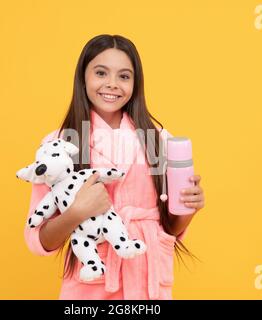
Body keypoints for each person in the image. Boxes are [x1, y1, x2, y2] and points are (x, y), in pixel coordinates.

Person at [24, 34, 205, 299]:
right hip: (93, 286)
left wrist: (189, 207)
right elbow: (38, 239)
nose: (112, 84)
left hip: (147, 284)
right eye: (100, 73)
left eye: (124, 76)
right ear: (83, 78)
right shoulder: (60, 144)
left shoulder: (157, 139)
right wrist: (75, 213)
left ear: (135, 83)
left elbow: (171, 228)